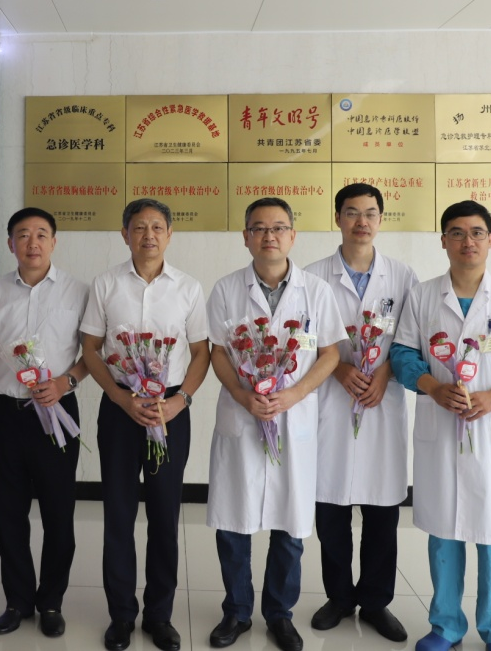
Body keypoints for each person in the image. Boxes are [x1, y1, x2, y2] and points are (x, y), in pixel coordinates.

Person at [390, 200, 491, 651]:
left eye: (477, 232)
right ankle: (445, 625)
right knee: (444, 531)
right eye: (457, 233)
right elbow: (402, 354)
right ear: (443, 240)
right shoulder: (423, 296)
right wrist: (432, 387)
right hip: (441, 429)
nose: (468, 241)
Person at [205, 197, 345, 651]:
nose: (270, 236)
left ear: (293, 236)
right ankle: (237, 611)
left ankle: (280, 614)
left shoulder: (316, 291)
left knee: (291, 524)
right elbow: (218, 353)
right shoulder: (226, 289)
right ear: (246, 237)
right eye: (259, 228)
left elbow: (330, 353)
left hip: (293, 417)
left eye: (279, 227)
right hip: (242, 416)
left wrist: (295, 394)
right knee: (233, 523)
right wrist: (243, 395)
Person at [80, 198, 210, 651]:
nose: (148, 235)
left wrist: (180, 402)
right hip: (120, 409)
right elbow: (91, 348)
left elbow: (201, 353)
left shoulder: (188, 287)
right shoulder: (106, 284)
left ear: (170, 234)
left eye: (157, 227)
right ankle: (121, 615)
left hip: (170, 410)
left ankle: (159, 615)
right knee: (118, 514)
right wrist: (119, 398)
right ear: (125, 234)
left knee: (164, 515)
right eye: (139, 227)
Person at [305, 184, 417, 643]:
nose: (362, 222)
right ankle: (338, 596)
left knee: (382, 511)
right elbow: (301, 344)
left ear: (381, 219)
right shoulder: (312, 277)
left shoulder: (403, 276)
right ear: (337, 218)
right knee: (330, 508)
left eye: (370, 213)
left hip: (381, 403)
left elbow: (411, 340)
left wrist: (386, 371)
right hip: (331, 404)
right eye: (352, 213)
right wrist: (338, 370)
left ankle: (375, 602)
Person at [0, 207, 89, 638]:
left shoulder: (78, 291)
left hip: (56, 411)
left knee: (59, 513)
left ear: (54, 242)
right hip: (6, 414)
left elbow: (92, 355)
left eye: (41, 234)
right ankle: (18, 601)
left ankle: (51, 601)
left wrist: (65, 382)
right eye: (23, 235)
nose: (33, 242)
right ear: (11, 244)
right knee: (8, 514)